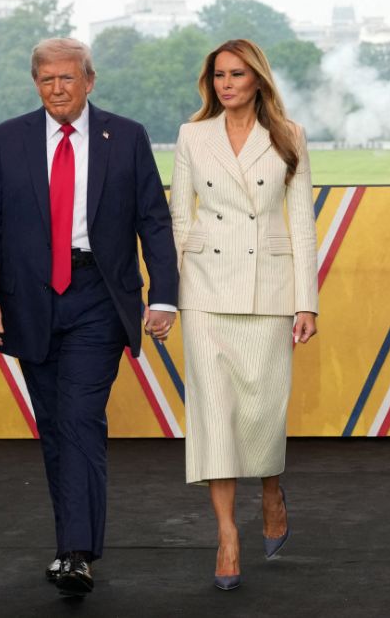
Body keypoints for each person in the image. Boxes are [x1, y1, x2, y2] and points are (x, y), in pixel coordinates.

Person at [0, 38, 179, 599]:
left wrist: (164, 297)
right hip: (28, 303)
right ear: (35, 83)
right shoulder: (6, 139)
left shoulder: (126, 136)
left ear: (90, 80)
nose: (57, 89)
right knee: (57, 426)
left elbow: (154, 219)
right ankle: (72, 545)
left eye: (67, 78)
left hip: (98, 299)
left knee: (81, 418)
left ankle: (75, 553)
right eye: (46, 80)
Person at [169, 39, 319, 591]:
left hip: (270, 290)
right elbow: (178, 219)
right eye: (218, 76)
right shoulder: (192, 135)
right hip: (205, 290)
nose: (226, 84)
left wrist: (307, 301)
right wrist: (167, 294)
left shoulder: (289, 136)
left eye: (236, 74)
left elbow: (300, 222)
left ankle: (272, 489)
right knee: (214, 415)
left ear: (257, 79)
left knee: (261, 413)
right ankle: (227, 536)